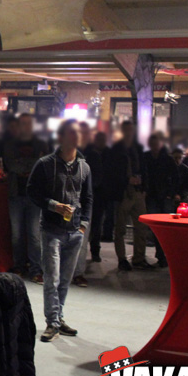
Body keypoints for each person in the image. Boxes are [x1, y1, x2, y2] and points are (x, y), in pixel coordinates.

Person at [27, 119, 92, 343]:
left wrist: (83, 225)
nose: (77, 136)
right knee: (51, 279)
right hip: (52, 229)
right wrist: (53, 206)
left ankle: (58, 317)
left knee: (65, 279)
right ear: (62, 137)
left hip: (75, 231)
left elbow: (88, 198)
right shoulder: (45, 164)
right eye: (72, 133)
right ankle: (52, 322)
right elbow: (32, 192)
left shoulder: (84, 166)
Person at [3, 113, 48, 282]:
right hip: (15, 194)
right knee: (16, 235)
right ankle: (19, 266)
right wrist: (31, 165)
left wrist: (24, 165)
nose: (26, 126)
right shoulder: (10, 144)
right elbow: (11, 165)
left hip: (35, 196)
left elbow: (43, 165)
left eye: (29, 123)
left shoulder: (41, 143)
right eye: (23, 123)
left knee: (35, 235)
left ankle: (36, 269)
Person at [109, 120, 152, 270]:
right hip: (124, 192)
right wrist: (126, 180)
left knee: (141, 227)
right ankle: (122, 259)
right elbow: (112, 171)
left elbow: (144, 168)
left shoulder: (137, 148)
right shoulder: (116, 149)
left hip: (138, 191)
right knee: (120, 228)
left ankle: (139, 258)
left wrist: (144, 187)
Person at [72, 123, 103, 287]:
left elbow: (97, 180)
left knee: (82, 240)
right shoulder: (67, 152)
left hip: (85, 203)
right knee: (63, 238)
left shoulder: (93, 155)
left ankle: (78, 273)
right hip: (67, 202)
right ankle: (65, 272)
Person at [143, 132, 172, 268]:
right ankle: (161, 254)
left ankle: (162, 254)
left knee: (164, 228)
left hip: (163, 196)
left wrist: (170, 193)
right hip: (152, 196)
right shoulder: (146, 158)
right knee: (156, 227)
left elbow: (175, 176)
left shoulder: (166, 159)